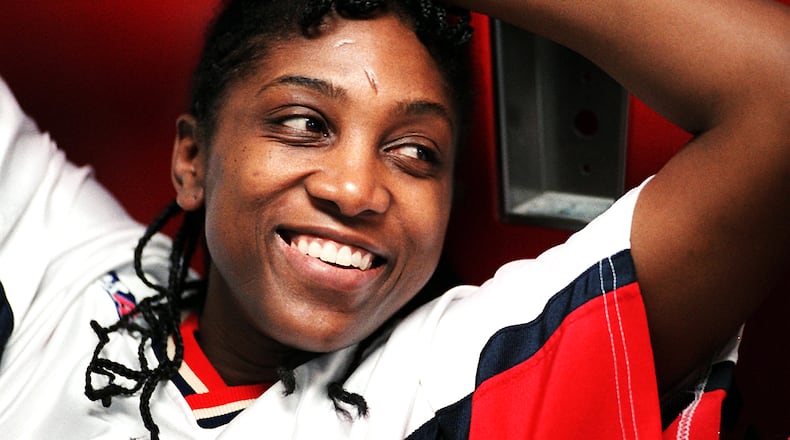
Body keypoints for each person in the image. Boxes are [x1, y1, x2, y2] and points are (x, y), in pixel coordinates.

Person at [0, 0, 786, 438]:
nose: (355, 188)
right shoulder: (61, 274)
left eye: (414, 153)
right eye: (304, 123)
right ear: (194, 161)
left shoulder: (456, 376)